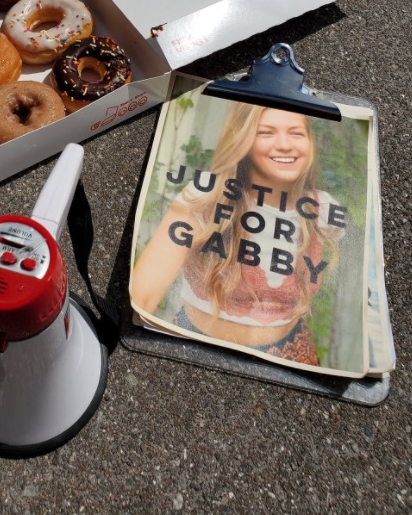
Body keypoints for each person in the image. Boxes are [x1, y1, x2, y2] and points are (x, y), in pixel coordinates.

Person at [130, 102, 346, 365]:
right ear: (243, 139)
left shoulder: (323, 211)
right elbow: (142, 296)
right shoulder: (204, 199)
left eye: (296, 133)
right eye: (266, 132)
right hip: (196, 348)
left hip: (293, 353)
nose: (285, 145)